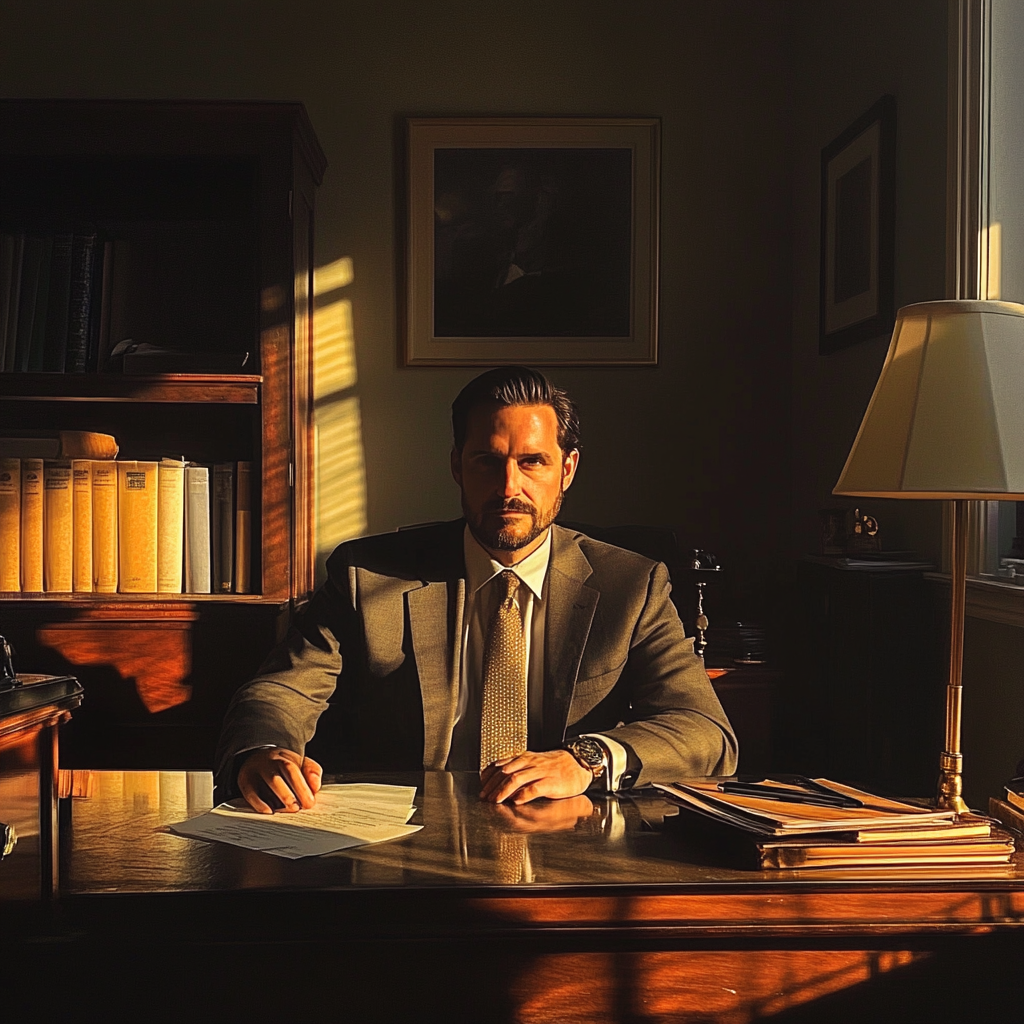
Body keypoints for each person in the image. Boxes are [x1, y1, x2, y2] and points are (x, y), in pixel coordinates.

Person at [214, 366, 737, 813]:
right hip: (399, 842)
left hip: (564, 836)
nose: (509, 487)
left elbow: (705, 731)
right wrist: (264, 750)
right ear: (456, 466)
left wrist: (586, 759)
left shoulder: (632, 585)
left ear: (567, 470)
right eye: (488, 461)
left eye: (532, 462)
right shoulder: (366, 575)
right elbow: (282, 690)